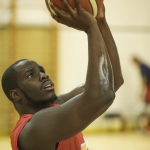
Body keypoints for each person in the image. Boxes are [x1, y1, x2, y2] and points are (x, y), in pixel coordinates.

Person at [1, 0, 123, 150]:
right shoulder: (33, 129)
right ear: (15, 94)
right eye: (31, 75)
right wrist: (91, 28)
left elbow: (113, 80)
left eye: (42, 71)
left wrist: (100, 22)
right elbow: (102, 95)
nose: (43, 76)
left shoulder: (57, 105)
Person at [132, 56, 150, 130]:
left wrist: (141, 92)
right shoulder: (144, 66)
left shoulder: (142, 67)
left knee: (146, 99)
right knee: (146, 100)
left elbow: (144, 80)